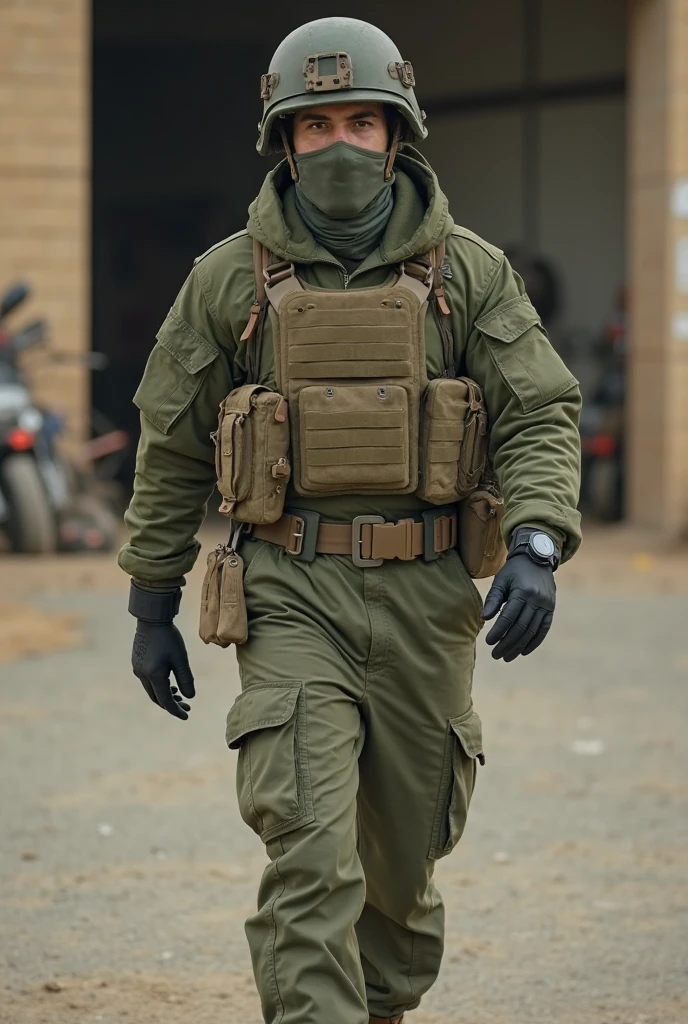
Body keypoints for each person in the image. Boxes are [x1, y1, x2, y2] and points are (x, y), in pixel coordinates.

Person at [119, 17, 581, 1024]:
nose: (336, 146)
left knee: (403, 861)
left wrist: (539, 538)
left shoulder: (467, 274)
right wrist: (151, 598)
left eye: (359, 123)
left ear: (397, 134)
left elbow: (537, 408)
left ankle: (379, 1006)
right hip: (289, 591)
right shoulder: (229, 281)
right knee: (310, 851)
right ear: (282, 141)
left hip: (427, 594)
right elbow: (172, 443)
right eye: (314, 123)